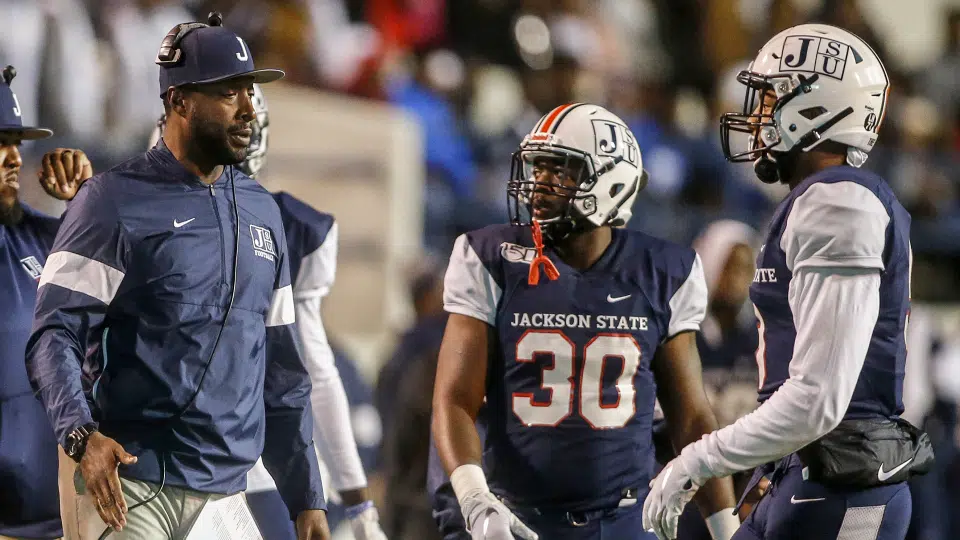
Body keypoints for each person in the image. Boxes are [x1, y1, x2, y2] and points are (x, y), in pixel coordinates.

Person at [25, 13, 330, 540]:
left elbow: (282, 370)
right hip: (128, 481)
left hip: (226, 493)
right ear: (179, 101)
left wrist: (307, 499)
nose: (248, 108)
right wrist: (80, 435)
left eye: (249, 91)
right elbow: (54, 333)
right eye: (229, 92)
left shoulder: (264, 213)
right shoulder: (110, 202)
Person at [643, 23, 933, 540]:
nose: (755, 116)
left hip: (841, 482)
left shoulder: (837, 204)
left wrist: (697, 461)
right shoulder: (820, 199)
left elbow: (818, 398)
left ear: (817, 106)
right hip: (805, 473)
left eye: (769, 98)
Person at [431, 103, 741, 540]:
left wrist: (726, 528)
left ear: (612, 181)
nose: (539, 184)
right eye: (538, 168)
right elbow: (455, 398)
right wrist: (475, 501)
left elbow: (689, 417)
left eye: (561, 171)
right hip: (514, 517)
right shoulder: (490, 258)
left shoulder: (662, 270)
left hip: (623, 519)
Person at [147, 83, 387, 540]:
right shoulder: (127, 211)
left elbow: (308, 369)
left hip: (244, 467)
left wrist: (356, 497)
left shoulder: (287, 228)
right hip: (148, 462)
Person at [0, 64, 92, 540]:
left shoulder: (48, 238)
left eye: (16, 141)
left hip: (61, 521)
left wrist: (88, 206)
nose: (14, 157)